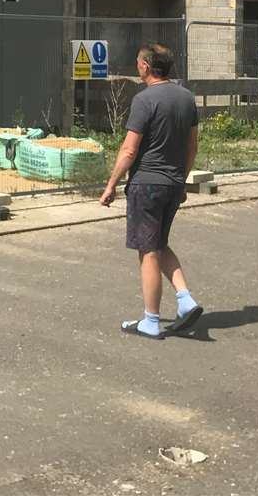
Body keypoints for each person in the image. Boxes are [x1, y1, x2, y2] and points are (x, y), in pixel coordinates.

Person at [99, 42, 202, 339]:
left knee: (147, 251)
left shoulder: (144, 100)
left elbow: (130, 149)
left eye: (137, 62)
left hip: (147, 184)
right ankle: (186, 300)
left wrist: (111, 185)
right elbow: (192, 145)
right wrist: (181, 179)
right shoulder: (186, 98)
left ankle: (151, 320)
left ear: (145, 66)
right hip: (172, 183)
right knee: (158, 243)